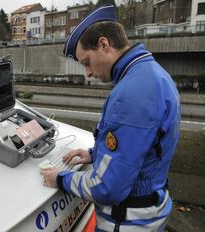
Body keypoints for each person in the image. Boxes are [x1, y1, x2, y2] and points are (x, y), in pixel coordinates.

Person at [41, 5, 181, 232]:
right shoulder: (153, 73)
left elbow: (108, 188)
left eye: (86, 62)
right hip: (152, 209)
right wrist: (93, 154)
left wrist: (60, 179)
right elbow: (142, 148)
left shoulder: (132, 93)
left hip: (127, 221)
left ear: (104, 44)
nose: (87, 73)